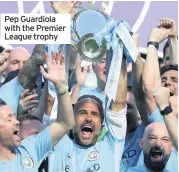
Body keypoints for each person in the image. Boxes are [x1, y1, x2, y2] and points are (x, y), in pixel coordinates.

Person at [0, 49, 75, 172]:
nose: (17, 121)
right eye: (9, 119)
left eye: (14, 116)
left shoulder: (30, 148)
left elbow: (66, 123)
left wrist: (60, 85)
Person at [52, 56, 127, 172]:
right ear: (72, 122)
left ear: (102, 124)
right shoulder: (60, 144)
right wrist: (72, 86)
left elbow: (119, 104)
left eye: (94, 114)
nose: (88, 118)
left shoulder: (111, 147)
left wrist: (120, 56)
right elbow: (63, 118)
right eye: (82, 113)